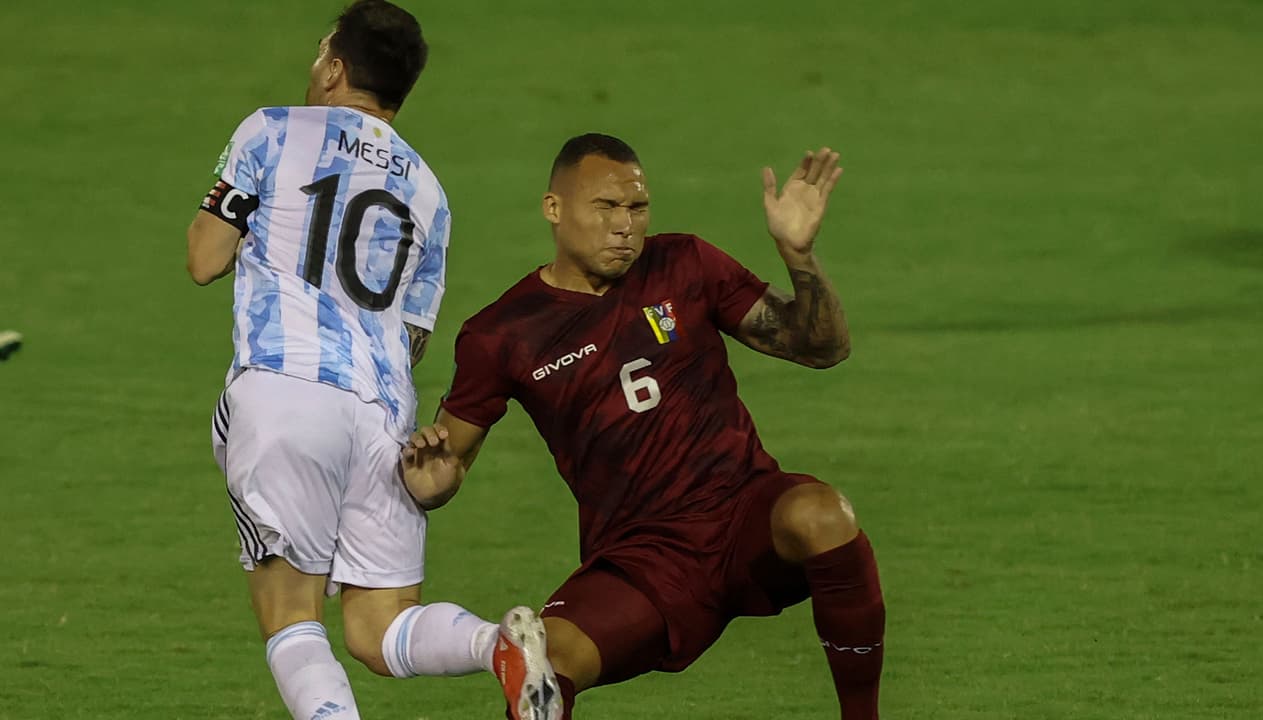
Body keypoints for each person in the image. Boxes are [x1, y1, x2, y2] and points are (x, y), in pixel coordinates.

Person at [401, 133, 885, 718]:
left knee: (822, 514)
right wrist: (431, 480)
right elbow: (447, 464)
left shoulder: (684, 263)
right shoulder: (502, 332)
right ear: (554, 208)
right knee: (544, 666)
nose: (624, 226)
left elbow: (822, 348)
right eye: (606, 207)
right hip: (643, 557)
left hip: (742, 513)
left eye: (637, 207)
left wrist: (799, 255)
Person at [185, 2, 560, 719]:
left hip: (285, 391)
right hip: (383, 417)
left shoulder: (271, 131)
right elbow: (412, 338)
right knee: (378, 627)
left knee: (290, 616)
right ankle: (495, 646)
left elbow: (205, 259)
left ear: (334, 69)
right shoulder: (430, 194)